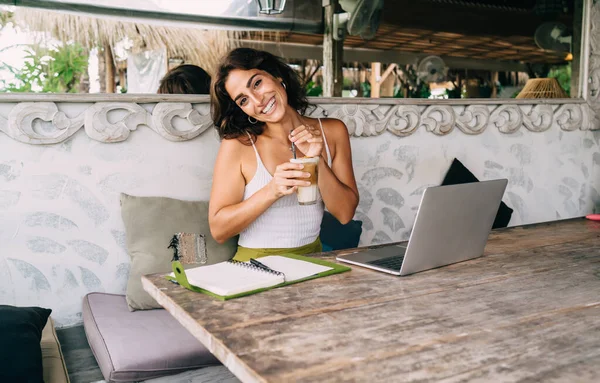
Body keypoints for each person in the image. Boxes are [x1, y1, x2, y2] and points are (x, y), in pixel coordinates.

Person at [209, 48, 359, 261]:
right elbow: (219, 230)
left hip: (315, 261)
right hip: (255, 265)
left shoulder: (333, 132)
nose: (257, 100)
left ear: (277, 76)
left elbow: (345, 215)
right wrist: (272, 190)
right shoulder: (238, 145)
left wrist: (317, 161)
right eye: (243, 100)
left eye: (257, 83)